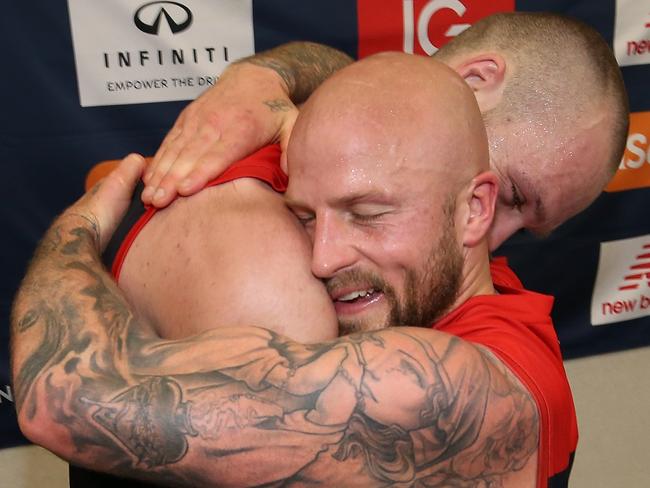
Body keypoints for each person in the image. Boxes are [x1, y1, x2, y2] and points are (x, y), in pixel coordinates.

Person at [13, 53, 574, 487]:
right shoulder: (445, 274)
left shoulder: (458, 390)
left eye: (367, 215)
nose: (323, 257)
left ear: (474, 208)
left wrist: (77, 232)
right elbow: (347, 73)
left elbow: (61, 399)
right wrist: (263, 77)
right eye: (305, 215)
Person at [142, 12, 628, 251]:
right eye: (514, 195)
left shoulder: (480, 302)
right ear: (475, 81)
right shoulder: (254, 202)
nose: (492, 241)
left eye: (525, 232)